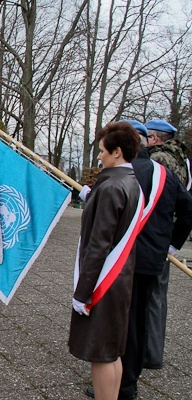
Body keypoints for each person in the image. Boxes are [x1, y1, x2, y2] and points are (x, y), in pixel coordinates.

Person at [69, 122, 143, 400]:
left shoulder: (112, 187)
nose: (99, 157)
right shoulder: (129, 182)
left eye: (102, 151)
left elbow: (99, 245)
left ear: (117, 152)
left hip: (103, 281)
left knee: (100, 353)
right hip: (119, 280)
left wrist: (83, 291)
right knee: (112, 352)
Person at [143, 119, 190, 370]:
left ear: (155, 138)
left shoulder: (158, 161)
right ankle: (153, 352)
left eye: (147, 136)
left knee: (147, 298)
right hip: (166, 237)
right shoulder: (184, 161)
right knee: (158, 297)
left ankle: (148, 354)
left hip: (153, 238)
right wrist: (175, 243)